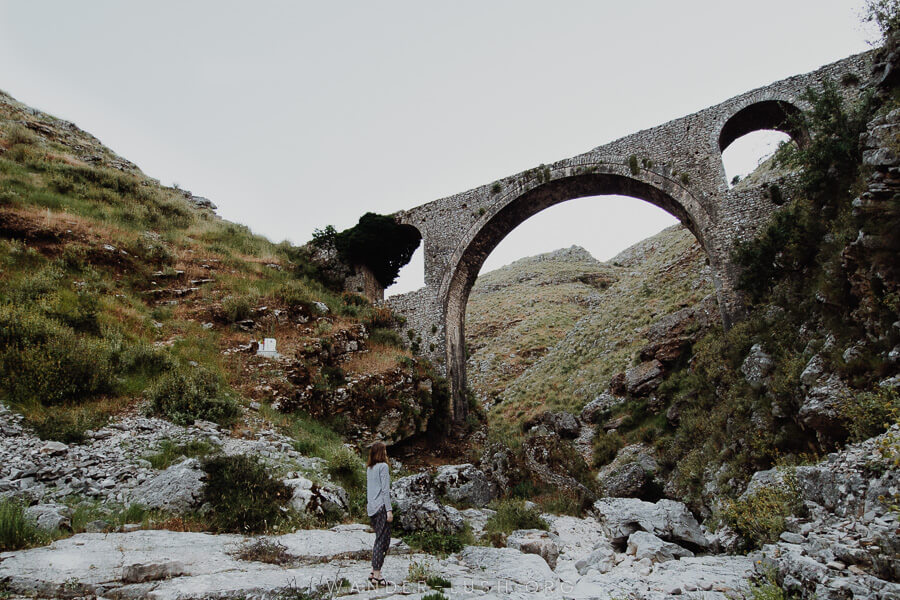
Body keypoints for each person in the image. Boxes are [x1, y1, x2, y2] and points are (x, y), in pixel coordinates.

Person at [366, 441, 392, 586]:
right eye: (385, 450)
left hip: (372, 508)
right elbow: (385, 490)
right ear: (382, 452)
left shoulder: (370, 468)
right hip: (381, 507)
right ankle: (376, 576)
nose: (387, 453)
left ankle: (374, 571)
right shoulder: (383, 467)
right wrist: (389, 510)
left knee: (380, 539)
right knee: (382, 541)